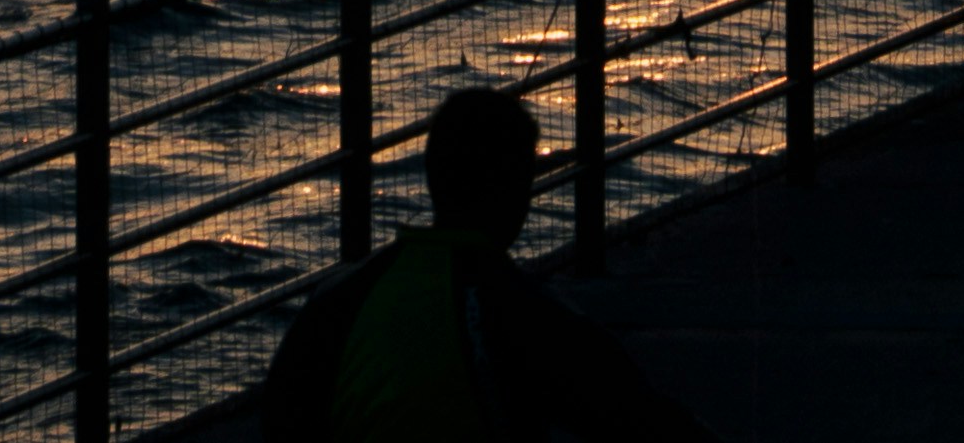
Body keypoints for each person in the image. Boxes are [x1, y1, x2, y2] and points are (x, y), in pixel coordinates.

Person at [253, 88, 720, 443]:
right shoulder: (526, 315)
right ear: (517, 190)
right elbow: (640, 418)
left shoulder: (337, 301)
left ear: (434, 177)